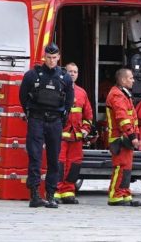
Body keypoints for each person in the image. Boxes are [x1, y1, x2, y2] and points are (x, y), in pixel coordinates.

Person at [19, 43, 74, 208]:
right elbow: (23, 97)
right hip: (37, 119)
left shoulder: (65, 77)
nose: (51, 61)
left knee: (53, 159)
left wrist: (62, 118)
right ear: (44, 57)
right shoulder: (32, 75)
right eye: (48, 58)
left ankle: (50, 195)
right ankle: (34, 194)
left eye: (54, 58)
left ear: (58, 57)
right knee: (35, 157)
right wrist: (30, 114)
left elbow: (69, 101)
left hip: (55, 121)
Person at [54, 62, 93, 204]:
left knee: (74, 165)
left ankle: (68, 192)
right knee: (59, 164)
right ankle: (56, 191)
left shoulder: (82, 93)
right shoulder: (57, 89)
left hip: (76, 137)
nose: (72, 74)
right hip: (61, 136)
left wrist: (85, 129)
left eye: (75, 72)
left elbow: (88, 115)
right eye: (70, 71)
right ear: (64, 73)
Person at [106, 68, 141, 206]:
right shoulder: (117, 95)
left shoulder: (123, 94)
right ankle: (115, 195)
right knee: (121, 166)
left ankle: (124, 192)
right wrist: (133, 136)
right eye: (131, 78)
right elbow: (123, 118)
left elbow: (132, 118)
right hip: (119, 137)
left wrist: (135, 135)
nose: (133, 80)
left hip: (124, 137)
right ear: (122, 80)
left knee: (126, 167)